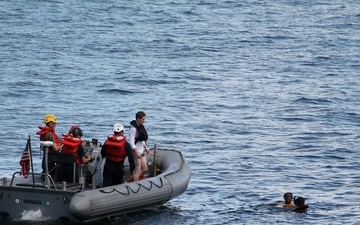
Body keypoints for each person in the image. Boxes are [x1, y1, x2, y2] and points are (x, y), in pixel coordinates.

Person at [36, 114, 63, 178]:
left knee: (45, 172)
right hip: (52, 159)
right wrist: (62, 145)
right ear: (51, 124)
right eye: (54, 124)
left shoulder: (44, 133)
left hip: (45, 158)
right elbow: (56, 149)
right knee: (51, 174)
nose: (55, 125)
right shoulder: (50, 134)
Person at [129, 111, 150, 181]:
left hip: (141, 150)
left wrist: (146, 147)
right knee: (138, 169)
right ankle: (135, 183)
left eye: (144, 119)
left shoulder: (141, 127)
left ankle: (132, 178)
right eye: (143, 119)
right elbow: (131, 142)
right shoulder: (133, 129)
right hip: (136, 151)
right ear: (138, 118)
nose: (144, 121)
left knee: (145, 168)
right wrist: (136, 151)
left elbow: (142, 139)